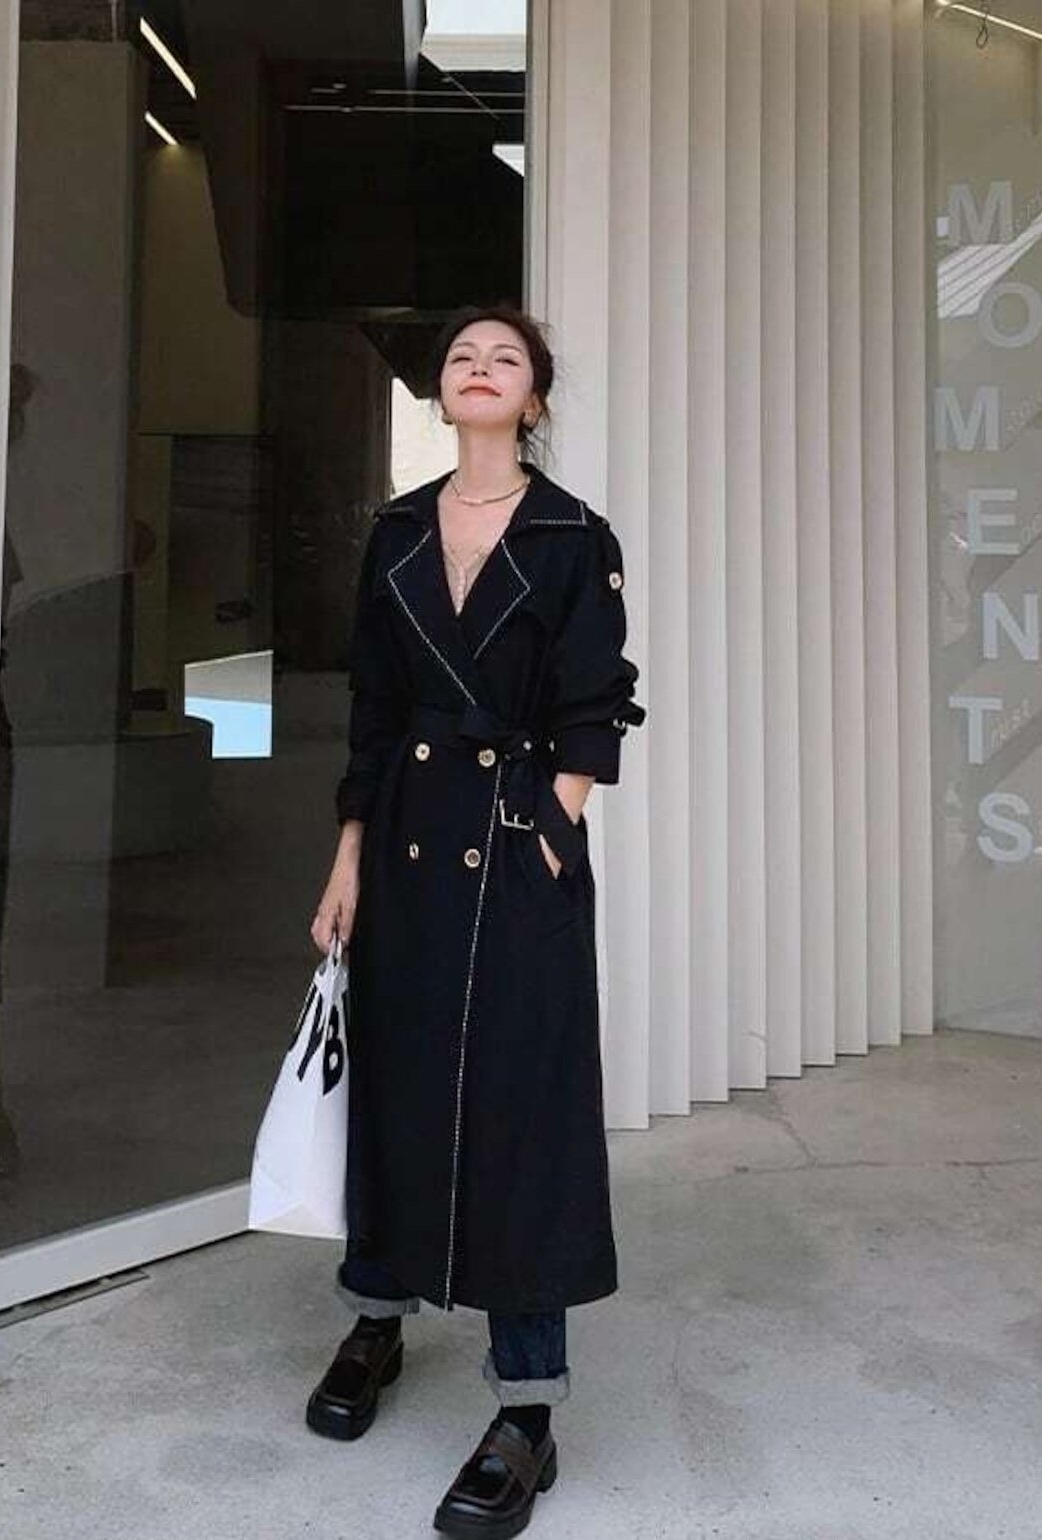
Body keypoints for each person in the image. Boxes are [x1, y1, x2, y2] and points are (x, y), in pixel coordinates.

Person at [306, 304, 646, 1539]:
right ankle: (376, 1317)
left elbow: (593, 704)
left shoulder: (571, 535)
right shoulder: (398, 530)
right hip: (402, 841)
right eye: (462, 356)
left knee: (521, 1112)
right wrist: (347, 855)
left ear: (533, 397)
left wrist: (549, 828)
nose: (480, 368)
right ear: (440, 393)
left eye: (506, 357)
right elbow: (372, 705)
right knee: (393, 1083)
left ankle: (527, 1406)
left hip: (511, 844)